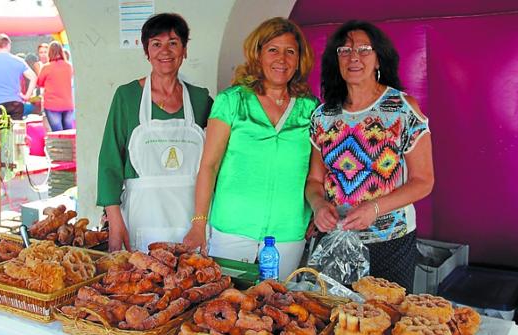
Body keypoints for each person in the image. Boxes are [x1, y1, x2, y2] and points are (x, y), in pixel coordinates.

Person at [183, 17, 318, 279]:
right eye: (273, 50)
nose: (282, 58)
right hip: (232, 230)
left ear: (299, 59)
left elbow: (316, 175)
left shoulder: (310, 109)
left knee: (277, 308)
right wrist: (199, 223)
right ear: (258, 55)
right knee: (226, 306)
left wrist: (317, 209)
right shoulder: (232, 101)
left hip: (288, 233)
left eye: (290, 51)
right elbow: (209, 165)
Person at [306, 20, 434, 292]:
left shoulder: (402, 108)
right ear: (336, 60)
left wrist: (374, 208)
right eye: (345, 50)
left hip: (390, 241)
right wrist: (318, 206)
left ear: (379, 59)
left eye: (364, 49)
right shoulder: (323, 116)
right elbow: (315, 181)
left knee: (384, 321)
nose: (354, 57)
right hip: (336, 238)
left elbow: (423, 181)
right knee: (336, 321)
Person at [97, 13, 213, 252]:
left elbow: (214, 163)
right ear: (146, 52)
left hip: (191, 219)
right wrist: (115, 220)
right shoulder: (127, 96)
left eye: (173, 43)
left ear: (184, 50)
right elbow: (109, 162)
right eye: (156, 44)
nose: (165, 51)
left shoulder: (201, 100)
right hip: (142, 217)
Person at [0, 33, 37, 120]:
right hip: (15, 102)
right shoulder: (19, 61)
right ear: (9, 45)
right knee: (16, 131)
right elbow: (33, 77)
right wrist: (27, 96)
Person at [37, 41, 75, 131]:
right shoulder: (69, 66)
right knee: (69, 132)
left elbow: (39, 83)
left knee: (58, 133)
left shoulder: (46, 67)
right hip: (67, 104)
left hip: (52, 105)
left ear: (49, 53)